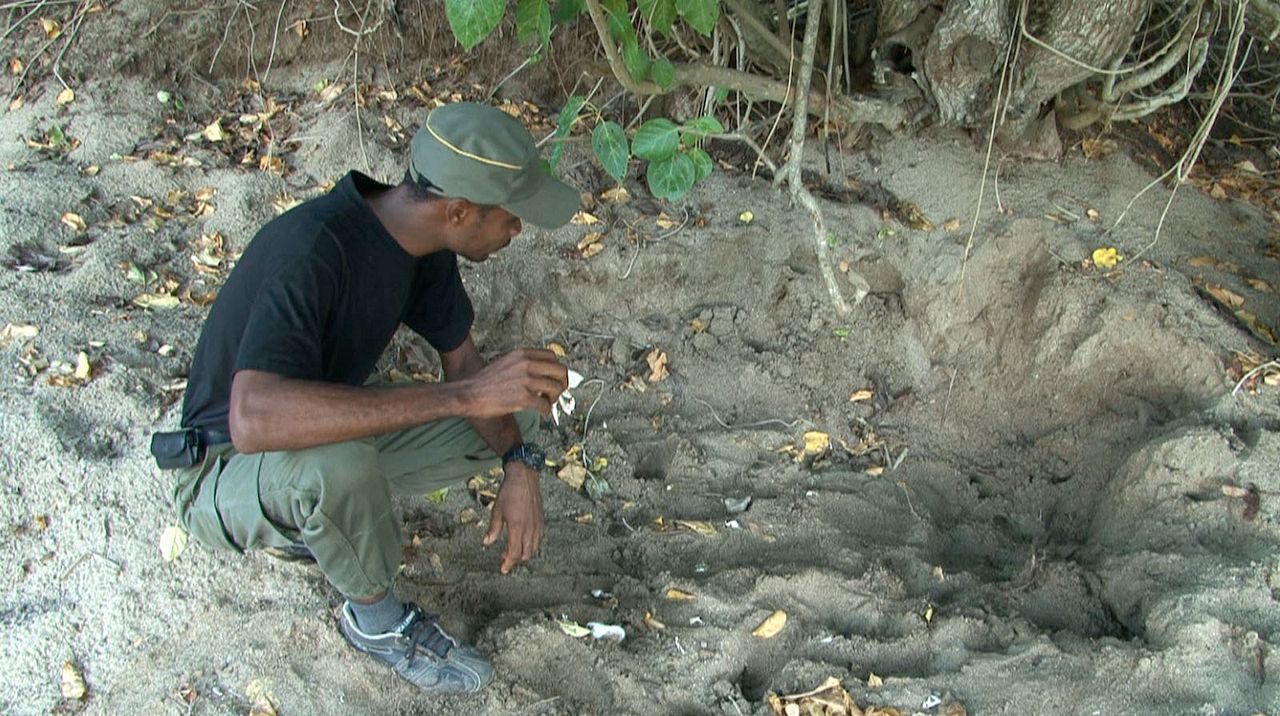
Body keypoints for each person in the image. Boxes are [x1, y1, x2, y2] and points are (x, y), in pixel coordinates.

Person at [162, 102, 579, 694]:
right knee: (342, 466)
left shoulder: (423, 247)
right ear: (458, 211)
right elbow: (252, 420)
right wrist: (462, 396)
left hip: (315, 436)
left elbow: (464, 367)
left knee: (518, 413)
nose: (518, 231)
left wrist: (520, 464)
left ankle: (322, 530)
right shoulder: (313, 248)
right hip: (220, 467)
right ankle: (378, 625)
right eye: (512, 219)